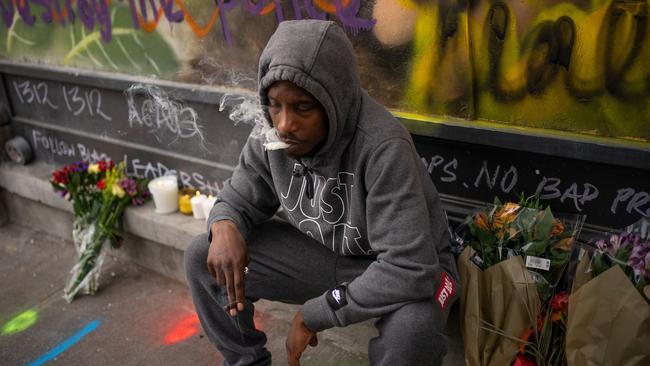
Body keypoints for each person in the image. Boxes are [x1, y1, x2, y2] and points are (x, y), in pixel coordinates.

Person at [185, 19, 460, 366]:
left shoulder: (383, 147)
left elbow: (410, 267)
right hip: (327, 255)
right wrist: (224, 224)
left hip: (409, 269)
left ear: (335, 101)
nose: (285, 123)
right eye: (275, 104)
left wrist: (314, 313)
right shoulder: (273, 133)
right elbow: (239, 197)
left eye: (303, 108)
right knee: (203, 255)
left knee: (413, 330)